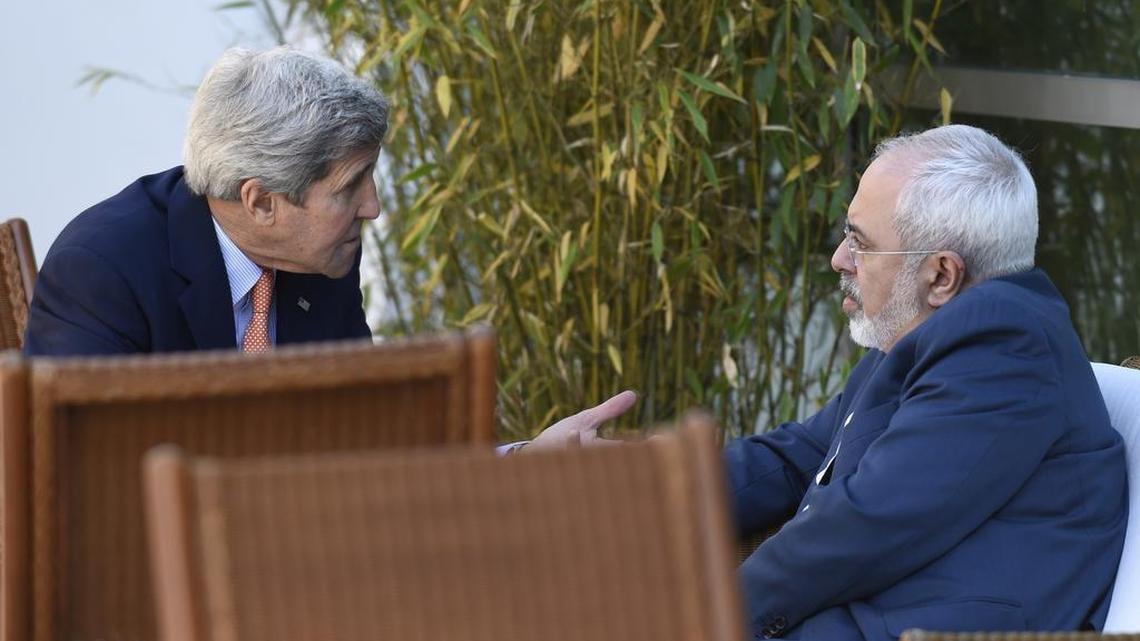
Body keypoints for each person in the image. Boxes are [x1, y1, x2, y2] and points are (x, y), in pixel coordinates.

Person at [535, 125, 1127, 639]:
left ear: (941, 275)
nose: (839, 259)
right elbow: (799, 457)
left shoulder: (1002, 345)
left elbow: (867, 523)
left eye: (860, 243)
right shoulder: (932, 333)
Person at [25, 47, 385, 355]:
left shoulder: (325, 252)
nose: (372, 207)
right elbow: (80, 420)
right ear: (261, 202)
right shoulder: (99, 275)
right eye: (349, 187)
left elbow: (359, 403)